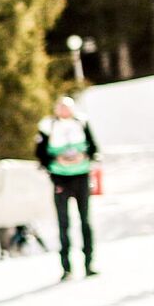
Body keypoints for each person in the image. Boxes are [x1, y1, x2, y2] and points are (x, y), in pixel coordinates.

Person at [35, 96, 100, 279]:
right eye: (61, 107)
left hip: (81, 176)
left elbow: (94, 148)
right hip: (61, 180)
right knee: (64, 224)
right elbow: (40, 153)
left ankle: (89, 264)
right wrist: (56, 161)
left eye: (67, 107)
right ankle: (66, 268)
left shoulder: (81, 123)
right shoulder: (48, 126)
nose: (64, 110)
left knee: (85, 222)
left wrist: (85, 157)